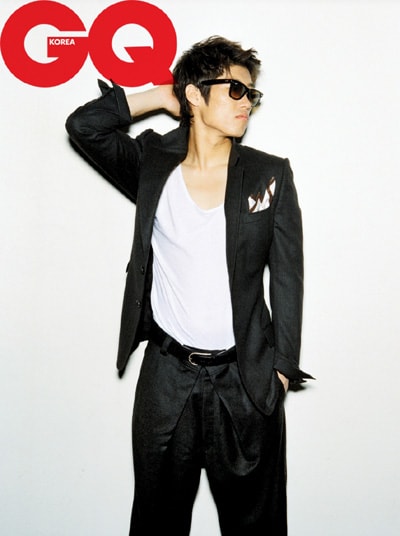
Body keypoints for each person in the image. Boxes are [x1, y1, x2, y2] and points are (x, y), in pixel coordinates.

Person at [66, 35, 312, 536]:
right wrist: (161, 95)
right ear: (196, 95)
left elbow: (289, 276)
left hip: (246, 380)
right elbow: (83, 126)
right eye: (235, 90)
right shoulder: (152, 164)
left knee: (258, 524)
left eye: (252, 94)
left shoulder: (269, 174)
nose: (247, 103)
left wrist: (282, 370)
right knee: (156, 521)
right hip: (166, 377)